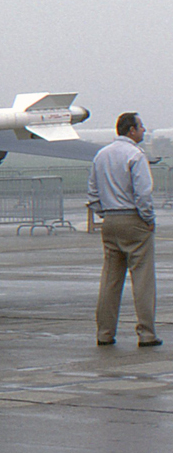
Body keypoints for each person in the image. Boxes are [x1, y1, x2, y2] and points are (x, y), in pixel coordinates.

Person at [87, 112, 160, 347]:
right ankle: (147, 332)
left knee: (110, 278)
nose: (144, 130)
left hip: (110, 220)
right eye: (141, 126)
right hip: (133, 218)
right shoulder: (135, 155)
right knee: (142, 278)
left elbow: (93, 193)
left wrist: (104, 213)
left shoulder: (101, 155)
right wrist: (148, 218)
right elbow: (143, 193)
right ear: (131, 130)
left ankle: (104, 332)